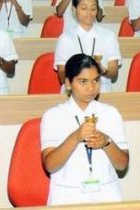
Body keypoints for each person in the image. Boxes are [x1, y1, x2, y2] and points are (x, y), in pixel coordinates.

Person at [41, 54, 129, 205]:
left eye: (96, 80)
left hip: (106, 194)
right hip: (68, 196)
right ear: (68, 83)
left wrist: (106, 142)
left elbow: (122, 164)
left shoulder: (111, 113)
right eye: (83, 82)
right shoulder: (53, 115)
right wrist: (75, 137)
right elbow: (50, 165)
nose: (91, 87)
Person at [55, 0, 121, 93]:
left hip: (101, 90)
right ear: (74, 9)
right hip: (74, 92)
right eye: (84, 8)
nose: (89, 13)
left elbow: (114, 72)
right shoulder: (65, 38)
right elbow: (62, 76)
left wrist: (103, 70)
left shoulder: (109, 36)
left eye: (93, 8)